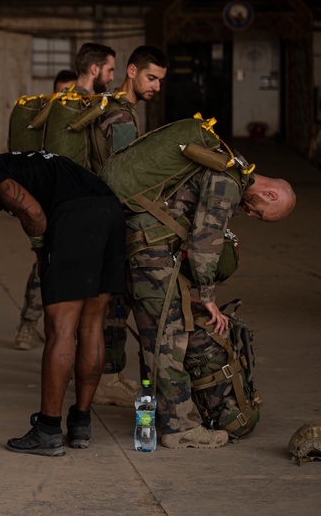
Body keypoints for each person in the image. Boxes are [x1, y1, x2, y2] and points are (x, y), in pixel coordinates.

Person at [102, 133, 296, 448]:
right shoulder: (227, 178)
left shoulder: (224, 161)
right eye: (260, 213)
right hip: (153, 255)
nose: (250, 215)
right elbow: (207, 238)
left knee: (156, 338)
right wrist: (208, 297)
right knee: (169, 339)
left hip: (143, 248)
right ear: (272, 194)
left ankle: (158, 416)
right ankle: (180, 429)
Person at [0, 151, 126, 456]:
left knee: (61, 330)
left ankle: (48, 429)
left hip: (75, 220)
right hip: (110, 213)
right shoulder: (22, 162)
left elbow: (34, 213)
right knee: (92, 325)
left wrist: (43, 254)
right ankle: (81, 422)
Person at [89, 46, 169, 407]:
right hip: (111, 219)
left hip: (99, 215)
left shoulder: (114, 107)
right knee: (113, 302)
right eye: (151, 77)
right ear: (132, 71)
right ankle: (107, 377)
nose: (156, 86)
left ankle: (107, 375)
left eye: (160, 80)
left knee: (110, 301)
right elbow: (124, 178)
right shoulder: (121, 117)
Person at [13, 69, 84, 351]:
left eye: (70, 92)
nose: (65, 98)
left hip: (76, 203)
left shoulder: (81, 117)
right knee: (44, 266)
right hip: (49, 203)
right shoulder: (44, 121)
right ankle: (28, 325)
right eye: (61, 92)